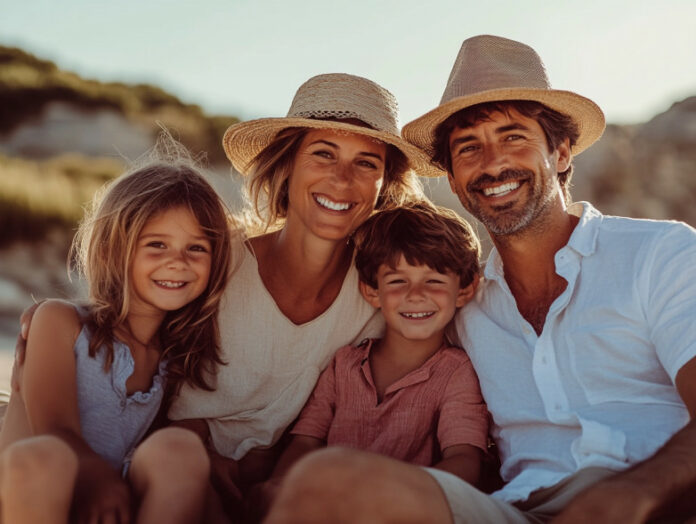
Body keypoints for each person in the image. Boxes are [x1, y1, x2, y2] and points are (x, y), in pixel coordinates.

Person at [263, 35, 696, 523]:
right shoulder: (464, 304)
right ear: (452, 180)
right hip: (514, 512)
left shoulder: (660, 253)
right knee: (325, 482)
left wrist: (634, 495)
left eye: (513, 137)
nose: (491, 164)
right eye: (468, 148)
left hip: (662, 500)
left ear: (561, 153)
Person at [13, 73, 441, 520]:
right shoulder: (218, 260)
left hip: (273, 486)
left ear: (384, 183)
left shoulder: (381, 292)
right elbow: (129, 303)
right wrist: (52, 320)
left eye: (367, 163)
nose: (341, 178)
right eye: (323, 153)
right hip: (169, 467)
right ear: (287, 164)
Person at [0, 145, 234, 524]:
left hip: (110, 500)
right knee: (46, 457)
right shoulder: (59, 322)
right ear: (113, 248)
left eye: (196, 248)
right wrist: (96, 477)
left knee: (180, 451)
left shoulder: (172, 357)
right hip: (33, 492)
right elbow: (54, 429)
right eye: (157, 244)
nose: (178, 261)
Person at [250, 203, 488, 518]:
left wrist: (389, 491)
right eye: (398, 281)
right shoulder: (344, 364)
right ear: (372, 290)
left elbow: (464, 458)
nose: (415, 294)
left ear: (464, 290)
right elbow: (305, 441)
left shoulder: (455, 373)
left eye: (434, 281)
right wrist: (281, 484)